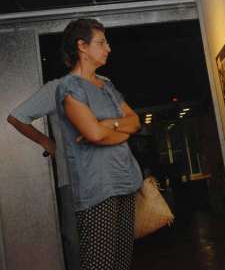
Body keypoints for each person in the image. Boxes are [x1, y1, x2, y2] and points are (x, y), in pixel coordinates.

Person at [55, 18, 142, 270]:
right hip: (97, 190)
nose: (109, 48)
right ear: (82, 46)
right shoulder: (68, 87)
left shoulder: (106, 84)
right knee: (100, 265)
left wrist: (107, 125)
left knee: (122, 263)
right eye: (102, 42)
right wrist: (111, 127)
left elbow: (135, 121)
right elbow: (94, 135)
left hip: (125, 181)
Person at [7, 80, 81, 270]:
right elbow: (17, 117)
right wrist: (46, 141)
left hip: (106, 177)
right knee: (76, 242)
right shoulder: (58, 88)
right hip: (73, 180)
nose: (107, 48)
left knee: (106, 242)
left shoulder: (103, 85)